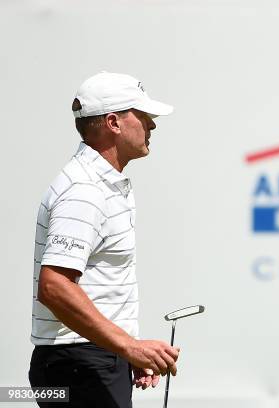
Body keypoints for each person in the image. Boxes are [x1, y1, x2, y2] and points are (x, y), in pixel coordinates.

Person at [29, 72, 179, 408]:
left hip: (88, 362)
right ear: (113, 122)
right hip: (79, 367)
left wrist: (127, 350)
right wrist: (129, 347)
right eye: (143, 117)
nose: (151, 126)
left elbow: (99, 285)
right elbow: (54, 287)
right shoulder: (84, 191)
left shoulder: (100, 184)